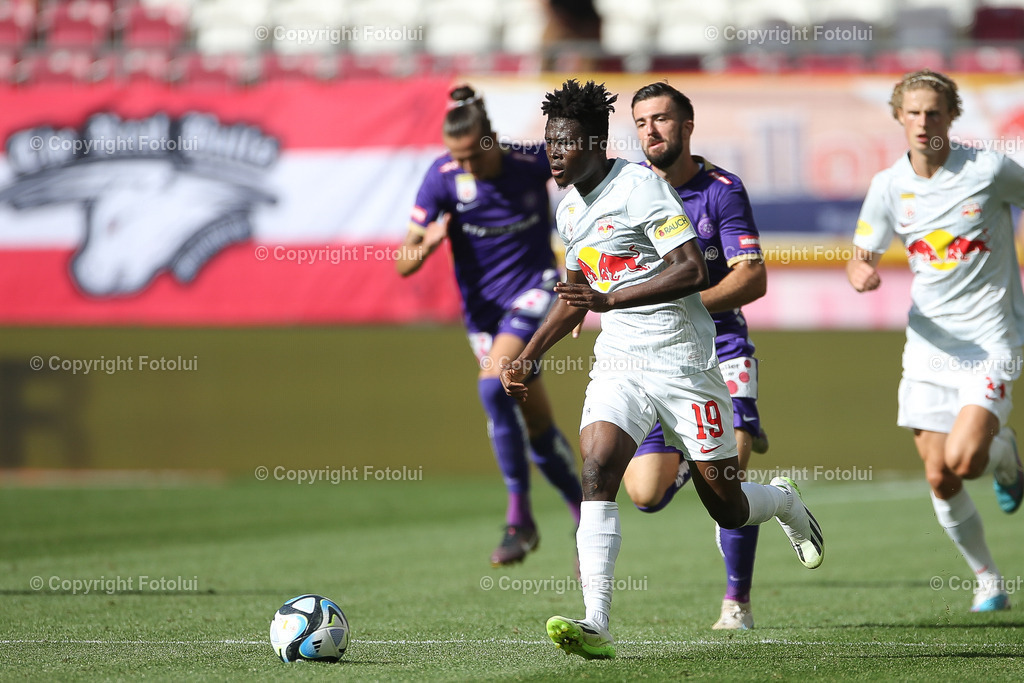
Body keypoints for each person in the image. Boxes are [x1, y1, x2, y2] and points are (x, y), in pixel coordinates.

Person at [501, 79, 824, 660]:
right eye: (549, 141)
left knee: (727, 505)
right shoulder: (571, 206)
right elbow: (576, 293)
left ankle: (784, 503)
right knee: (598, 468)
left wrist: (614, 299)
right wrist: (528, 355)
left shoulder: (640, 186)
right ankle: (596, 622)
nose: (553, 152)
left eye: (565, 142)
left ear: (596, 142)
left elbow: (692, 269)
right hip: (619, 365)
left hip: (684, 365)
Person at [847, 69, 1024, 612]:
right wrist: (861, 274)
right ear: (899, 117)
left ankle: (1005, 457)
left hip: (991, 339)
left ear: (952, 116)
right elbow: (862, 254)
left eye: (935, 112)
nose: (925, 122)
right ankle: (988, 581)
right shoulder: (887, 185)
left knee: (966, 460)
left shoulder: (989, 170)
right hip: (927, 348)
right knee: (938, 474)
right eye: (914, 112)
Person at [396, 85, 583, 568]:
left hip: (536, 291)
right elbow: (403, 261)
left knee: (491, 389)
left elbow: (585, 170)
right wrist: (429, 243)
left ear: (490, 141)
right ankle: (587, 513)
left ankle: (520, 521)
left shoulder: (528, 164)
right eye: (455, 157)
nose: (465, 166)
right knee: (536, 421)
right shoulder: (440, 179)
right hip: (483, 316)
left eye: (471, 156)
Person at [621, 81, 768, 630]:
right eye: (640, 123)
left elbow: (752, 278)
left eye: (660, 120)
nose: (650, 131)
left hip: (721, 349)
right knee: (644, 495)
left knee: (728, 477)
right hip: (656, 358)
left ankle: (737, 605)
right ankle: (695, 456)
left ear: (686, 126)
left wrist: (683, 304)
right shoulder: (628, 190)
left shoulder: (722, 190)